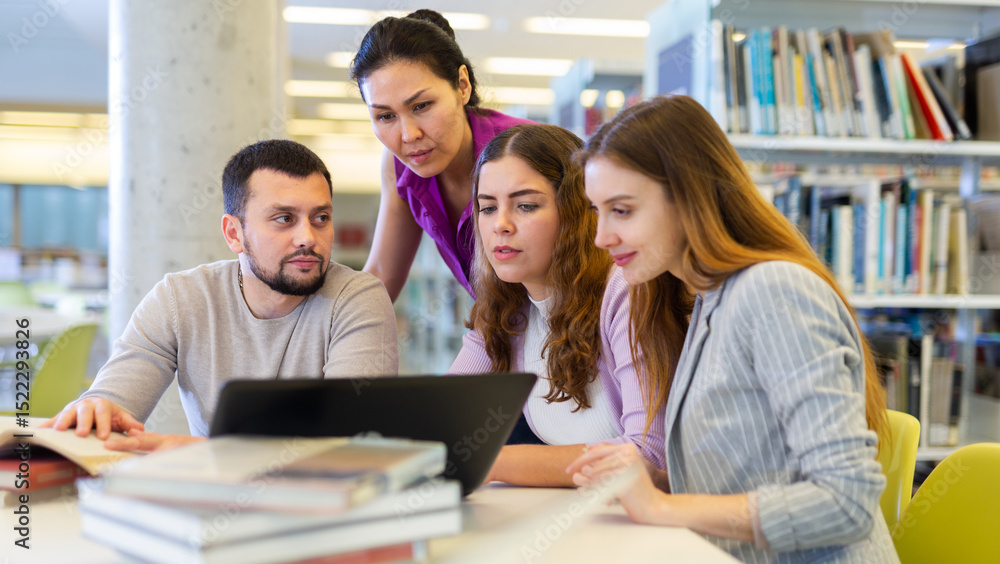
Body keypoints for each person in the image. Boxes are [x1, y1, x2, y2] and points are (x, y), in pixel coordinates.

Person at [567, 96, 900, 563]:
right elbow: (743, 472)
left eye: (621, 210)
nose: (602, 237)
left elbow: (846, 503)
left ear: (689, 198)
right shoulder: (704, 298)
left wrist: (662, 505)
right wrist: (650, 479)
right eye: (596, 211)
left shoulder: (773, 291)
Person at [45, 139, 398, 448]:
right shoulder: (179, 299)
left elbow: (350, 444)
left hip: (326, 511)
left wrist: (193, 453)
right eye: (284, 219)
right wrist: (97, 411)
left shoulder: (359, 298)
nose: (308, 237)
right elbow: (110, 406)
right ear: (234, 234)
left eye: (320, 218)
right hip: (211, 507)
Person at [449, 124, 667, 488]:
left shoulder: (626, 291)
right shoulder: (506, 307)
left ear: (575, 211)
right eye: (487, 208)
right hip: (579, 521)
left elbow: (646, 456)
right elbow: (441, 419)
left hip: (648, 529)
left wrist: (490, 460)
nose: (500, 225)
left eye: (526, 206)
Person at [350, 9, 533, 301]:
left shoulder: (528, 149)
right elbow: (382, 278)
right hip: (504, 329)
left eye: (421, 106)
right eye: (385, 116)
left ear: (462, 85)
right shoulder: (399, 166)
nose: (408, 135)